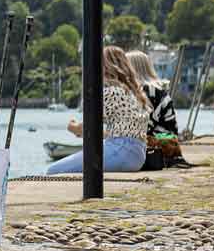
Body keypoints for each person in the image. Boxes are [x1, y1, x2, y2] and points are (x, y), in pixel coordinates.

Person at [46, 45, 150, 175]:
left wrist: (73, 127)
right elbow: (118, 131)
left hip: (121, 150)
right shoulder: (135, 93)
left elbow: (90, 129)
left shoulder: (112, 92)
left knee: (54, 171)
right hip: (138, 154)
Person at [125, 50, 180, 137]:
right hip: (167, 141)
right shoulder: (158, 89)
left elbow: (144, 124)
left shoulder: (147, 91)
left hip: (155, 143)